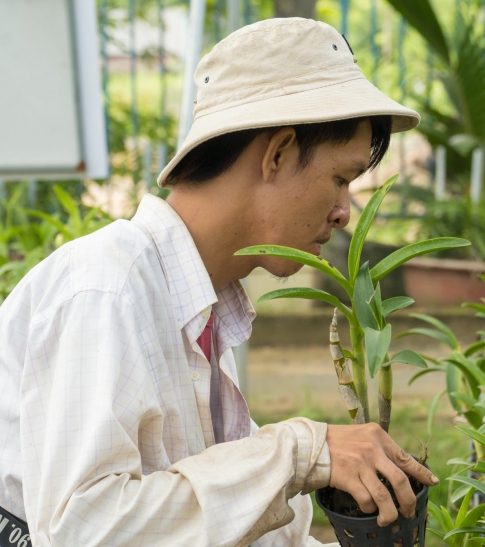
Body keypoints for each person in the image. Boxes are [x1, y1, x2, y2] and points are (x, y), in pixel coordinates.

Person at [0, 17, 437, 547]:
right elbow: (84, 530)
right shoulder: (106, 289)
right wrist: (300, 451)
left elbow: (204, 516)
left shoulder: (195, 308)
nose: (345, 211)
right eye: (340, 179)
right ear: (276, 153)